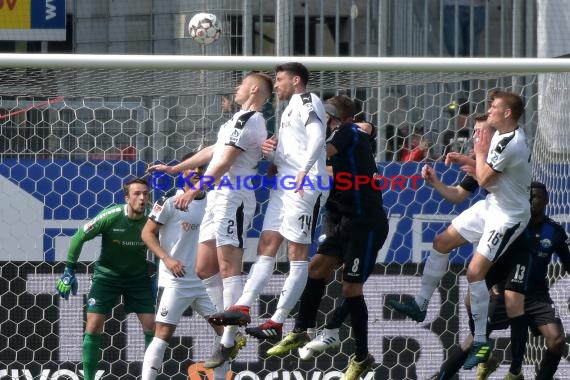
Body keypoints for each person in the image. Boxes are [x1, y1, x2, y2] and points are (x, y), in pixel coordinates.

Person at [389, 91, 532, 370]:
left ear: (506, 114)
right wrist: (468, 161)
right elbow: (482, 180)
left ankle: (480, 342)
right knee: (442, 241)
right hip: (493, 205)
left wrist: (475, 155)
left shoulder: (512, 143)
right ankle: (420, 304)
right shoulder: (500, 140)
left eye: (493, 108)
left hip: (508, 216)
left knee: (474, 273)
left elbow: (487, 177)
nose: (489, 111)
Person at [146, 71, 273, 368]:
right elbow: (214, 151)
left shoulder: (249, 120)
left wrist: (195, 190)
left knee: (229, 267)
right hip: (219, 196)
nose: (236, 88)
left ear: (253, 90)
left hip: (234, 196)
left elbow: (227, 160)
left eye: (240, 84)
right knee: (204, 268)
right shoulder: (235, 120)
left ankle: (228, 340)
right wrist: (177, 169)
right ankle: (229, 333)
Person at [258, 95, 388, 380]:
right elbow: (327, 169)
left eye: (320, 117)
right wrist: (276, 154)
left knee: (351, 290)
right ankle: (301, 330)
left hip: (364, 224)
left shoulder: (347, 132)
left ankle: (361, 357)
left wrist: (280, 156)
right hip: (341, 221)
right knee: (316, 269)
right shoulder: (348, 137)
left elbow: (321, 157)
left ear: (330, 118)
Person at [208, 62, 329, 344]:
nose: (276, 85)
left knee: (296, 253)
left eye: (280, 79)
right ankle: (243, 306)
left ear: (296, 80)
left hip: (305, 184)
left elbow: (316, 136)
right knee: (267, 243)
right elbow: (295, 147)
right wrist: (273, 158)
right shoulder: (288, 109)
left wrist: (303, 170)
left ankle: (277, 320)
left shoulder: (309, 100)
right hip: (285, 184)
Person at [433, 182, 569, 380]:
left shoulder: (554, 231)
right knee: (473, 341)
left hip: (537, 296)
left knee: (557, 340)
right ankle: (444, 376)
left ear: (547, 200)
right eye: (528, 195)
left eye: (537, 196)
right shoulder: (511, 225)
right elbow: (490, 257)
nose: (532, 200)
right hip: (505, 292)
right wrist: (490, 285)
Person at [141, 154, 243, 380]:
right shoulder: (170, 200)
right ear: (183, 172)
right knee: (163, 333)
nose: (197, 171)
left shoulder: (215, 200)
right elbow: (147, 233)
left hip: (206, 283)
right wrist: (167, 259)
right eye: (193, 168)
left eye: (202, 168)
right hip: (175, 281)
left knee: (228, 335)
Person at [55, 178, 154, 380]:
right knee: (92, 326)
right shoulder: (111, 216)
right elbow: (78, 237)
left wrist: (161, 275)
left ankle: (149, 377)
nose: (142, 198)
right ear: (127, 198)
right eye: (137, 193)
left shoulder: (154, 219)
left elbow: (169, 244)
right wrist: (69, 271)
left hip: (138, 279)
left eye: (145, 193)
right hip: (106, 277)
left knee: (152, 327)